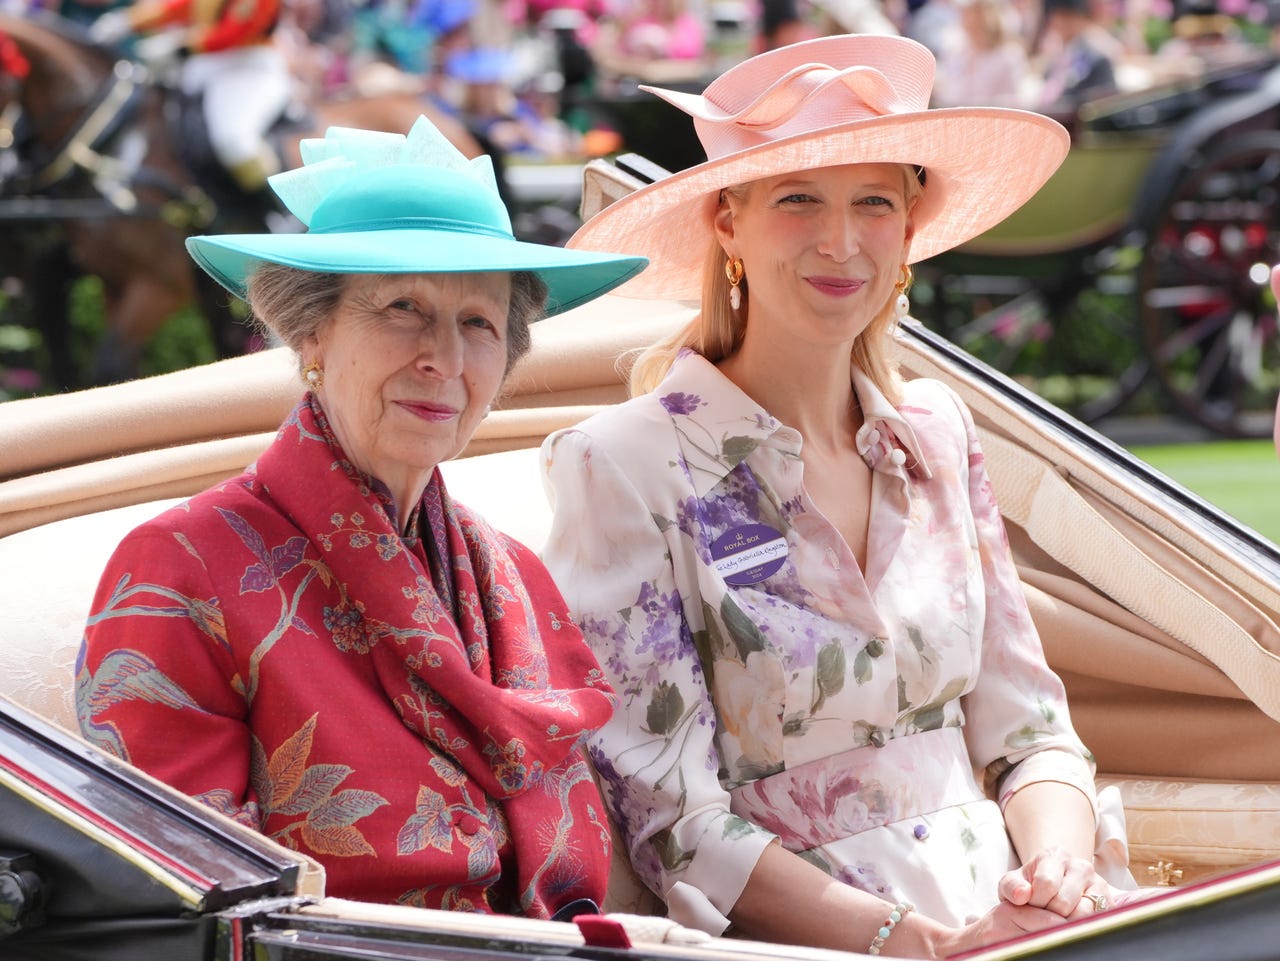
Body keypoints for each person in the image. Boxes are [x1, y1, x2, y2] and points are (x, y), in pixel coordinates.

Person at [539, 34, 1138, 958]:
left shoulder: (937, 432)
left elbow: (1030, 730)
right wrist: (917, 943)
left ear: (908, 228)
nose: (840, 240)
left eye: (873, 202)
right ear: (726, 223)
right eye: (797, 201)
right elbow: (674, 823)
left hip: (1022, 920)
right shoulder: (623, 461)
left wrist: (1056, 875)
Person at [76, 116, 647, 915]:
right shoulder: (182, 565)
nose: (444, 359)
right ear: (311, 331)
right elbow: (176, 901)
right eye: (403, 307)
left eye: (478, 323)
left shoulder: (516, 573)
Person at [90, 0, 293, 192]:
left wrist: (180, 45)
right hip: (206, 68)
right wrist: (127, 21)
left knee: (233, 140)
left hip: (249, 71)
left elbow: (233, 33)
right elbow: (183, 6)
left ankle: (279, 209)